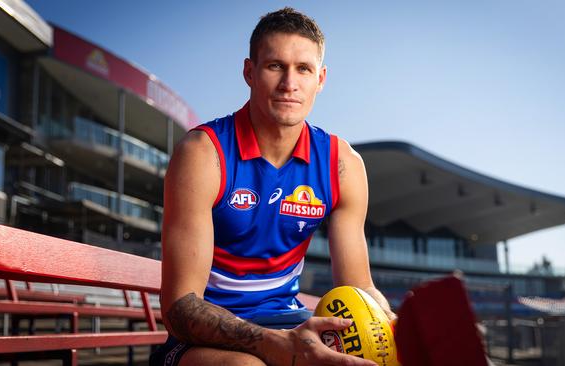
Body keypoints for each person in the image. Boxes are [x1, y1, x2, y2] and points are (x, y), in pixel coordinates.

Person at [152, 7, 395, 366]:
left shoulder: (342, 165)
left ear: (321, 79)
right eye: (275, 66)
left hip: (290, 323)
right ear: (249, 72)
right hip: (203, 338)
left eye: (304, 69)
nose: (289, 84)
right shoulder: (204, 154)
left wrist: (391, 324)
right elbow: (180, 307)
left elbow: (359, 288)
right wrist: (271, 343)